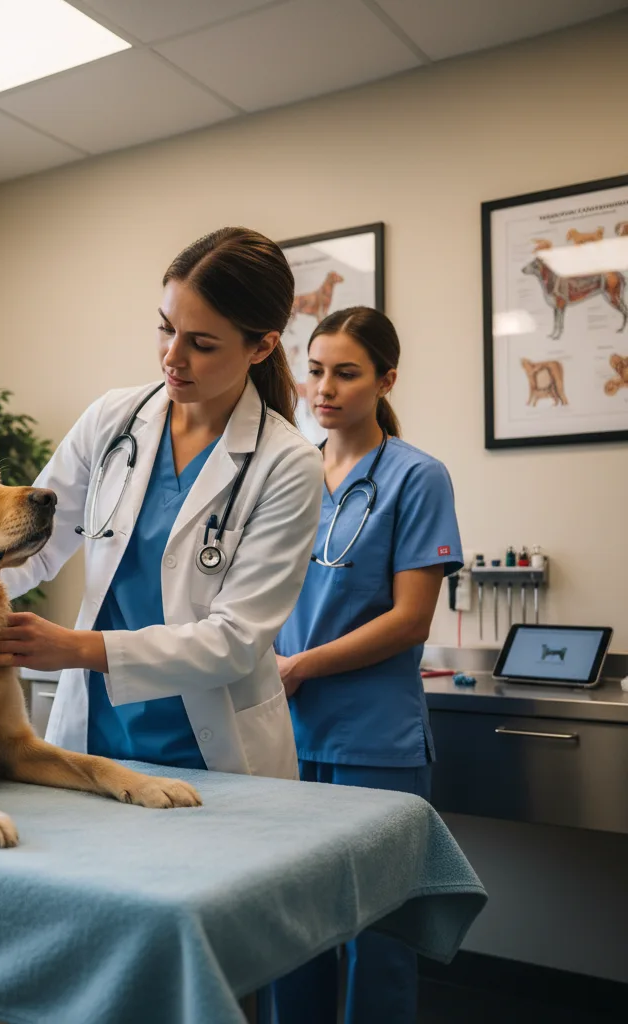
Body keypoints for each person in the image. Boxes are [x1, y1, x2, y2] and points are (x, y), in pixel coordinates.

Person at [0, 227, 322, 780]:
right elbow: (33, 547)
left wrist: (76, 647)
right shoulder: (111, 421)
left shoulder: (287, 463)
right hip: (96, 730)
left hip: (211, 748)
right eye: (166, 328)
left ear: (262, 346)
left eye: (202, 343)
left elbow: (235, 640)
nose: (173, 356)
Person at [269, 306, 463, 1024]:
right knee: (289, 928)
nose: (325, 388)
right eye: (315, 370)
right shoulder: (289, 472)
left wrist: (301, 668)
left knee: (375, 937)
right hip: (283, 734)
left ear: (385, 380)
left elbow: (411, 619)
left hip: (371, 740)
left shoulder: (418, 477)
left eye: (346, 373)